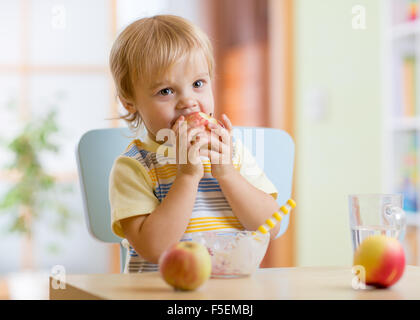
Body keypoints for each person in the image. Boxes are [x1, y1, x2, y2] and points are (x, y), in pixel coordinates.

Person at [108, 15, 280, 273]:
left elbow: (270, 226)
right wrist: (187, 176)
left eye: (198, 84)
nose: (188, 101)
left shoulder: (230, 153)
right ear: (129, 102)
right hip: (160, 292)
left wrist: (227, 173)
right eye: (166, 91)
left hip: (229, 293)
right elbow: (154, 248)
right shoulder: (135, 166)